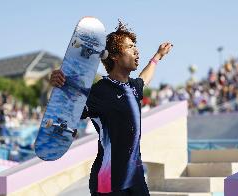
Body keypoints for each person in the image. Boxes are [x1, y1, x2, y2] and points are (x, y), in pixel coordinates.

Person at [50, 21, 172, 196]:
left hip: (135, 178)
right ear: (114, 56)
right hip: (107, 181)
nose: (136, 50)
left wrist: (158, 55)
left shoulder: (134, 87)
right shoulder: (100, 91)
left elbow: (146, 76)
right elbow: (68, 111)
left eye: (135, 46)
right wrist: (58, 85)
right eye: (130, 47)